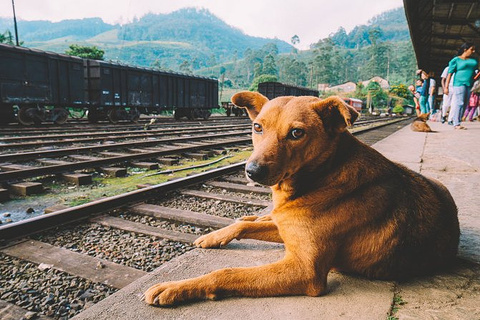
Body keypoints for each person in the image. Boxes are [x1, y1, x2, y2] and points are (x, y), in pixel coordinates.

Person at [444, 42, 480, 130]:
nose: (473, 51)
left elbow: (475, 73)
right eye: (471, 49)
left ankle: (457, 121)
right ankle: (456, 123)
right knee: (460, 102)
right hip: (459, 83)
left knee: (465, 103)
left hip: (469, 84)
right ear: (465, 49)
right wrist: (446, 86)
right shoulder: (456, 60)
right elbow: (449, 74)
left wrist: (475, 78)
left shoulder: (474, 61)